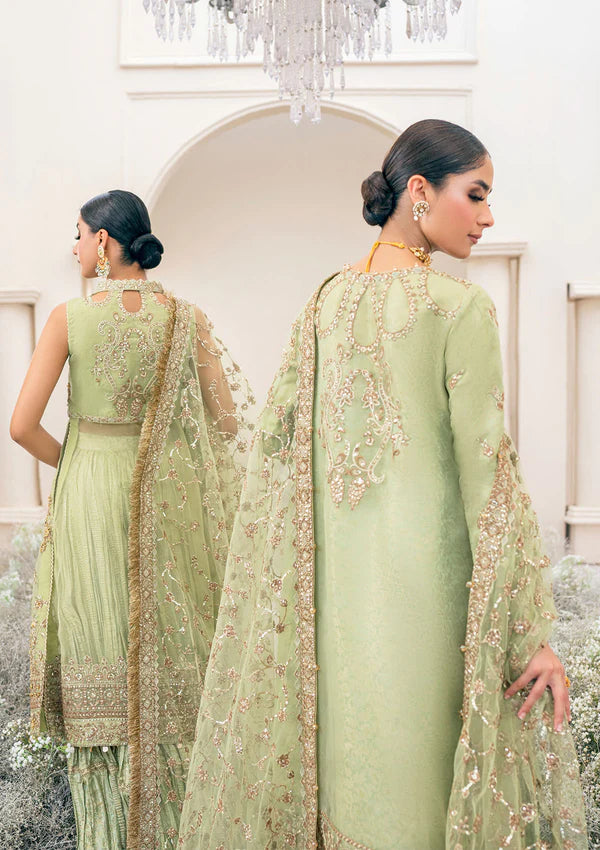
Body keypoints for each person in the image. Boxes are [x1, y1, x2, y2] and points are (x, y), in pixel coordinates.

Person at [177, 120, 587, 849]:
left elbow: (279, 459)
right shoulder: (459, 308)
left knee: (357, 789)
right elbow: (488, 478)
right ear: (420, 190)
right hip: (430, 605)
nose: (489, 217)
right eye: (477, 195)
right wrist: (527, 635)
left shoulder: (324, 303)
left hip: (332, 612)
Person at [10, 190, 252, 850]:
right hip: (164, 498)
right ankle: (175, 824)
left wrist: (78, 461)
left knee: (100, 643)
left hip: (91, 491)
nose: (75, 247)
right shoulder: (185, 319)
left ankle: (109, 833)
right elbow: (227, 422)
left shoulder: (69, 318)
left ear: (105, 243)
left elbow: (22, 427)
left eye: (79, 234)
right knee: (165, 647)